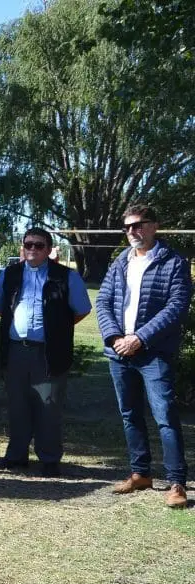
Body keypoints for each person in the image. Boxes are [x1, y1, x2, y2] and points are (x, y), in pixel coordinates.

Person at [97, 206, 191, 508]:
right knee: (130, 415)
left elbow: (176, 307)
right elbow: (103, 301)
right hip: (119, 351)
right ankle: (140, 473)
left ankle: (177, 482)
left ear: (154, 226)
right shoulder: (120, 262)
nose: (132, 232)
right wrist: (115, 338)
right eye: (127, 227)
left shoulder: (173, 262)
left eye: (138, 226)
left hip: (153, 353)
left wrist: (139, 338)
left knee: (165, 416)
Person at [0, 227, 91, 477]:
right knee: (17, 405)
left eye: (38, 245)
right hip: (16, 350)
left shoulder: (66, 276)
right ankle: (16, 457)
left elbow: (81, 310)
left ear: (49, 249)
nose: (32, 249)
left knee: (49, 406)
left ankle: (49, 459)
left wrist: (56, 328)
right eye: (28, 245)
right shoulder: (10, 274)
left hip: (49, 352)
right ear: (22, 247)